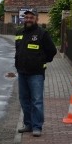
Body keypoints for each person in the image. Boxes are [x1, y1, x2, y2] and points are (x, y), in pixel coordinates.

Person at [15, 9, 57, 137]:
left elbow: (52, 51)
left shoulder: (42, 33)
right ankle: (28, 124)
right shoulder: (19, 33)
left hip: (36, 74)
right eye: (26, 17)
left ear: (36, 19)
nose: (28, 20)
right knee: (24, 100)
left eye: (31, 18)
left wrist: (41, 61)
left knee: (37, 101)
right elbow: (18, 49)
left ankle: (37, 126)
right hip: (22, 73)